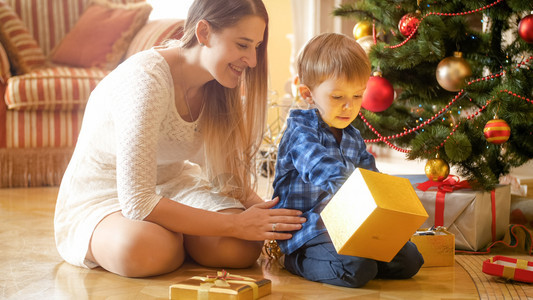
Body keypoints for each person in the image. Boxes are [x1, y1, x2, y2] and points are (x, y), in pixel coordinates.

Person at [54, 0, 306, 278]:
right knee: (144, 248)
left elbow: (224, 178)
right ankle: (173, 238)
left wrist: (270, 215)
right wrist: (234, 225)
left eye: (256, 47)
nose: (253, 61)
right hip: (107, 194)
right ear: (204, 33)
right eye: (243, 45)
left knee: (241, 248)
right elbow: (137, 201)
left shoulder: (219, 83)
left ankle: (175, 237)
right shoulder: (146, 80)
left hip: (172, 186)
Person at [272, 33, 424, 288]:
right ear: (308, 94)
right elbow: (319, 167)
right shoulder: (300, 129)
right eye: (337, 97)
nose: (348, 107)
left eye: (357, 96)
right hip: (309, 229)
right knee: (356, 268)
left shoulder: (353, 137)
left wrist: (389, 209)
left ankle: (360, 257)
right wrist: (359, 191)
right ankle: (295, 260)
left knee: (411, 260)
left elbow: (372, 178)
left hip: (348, 224)